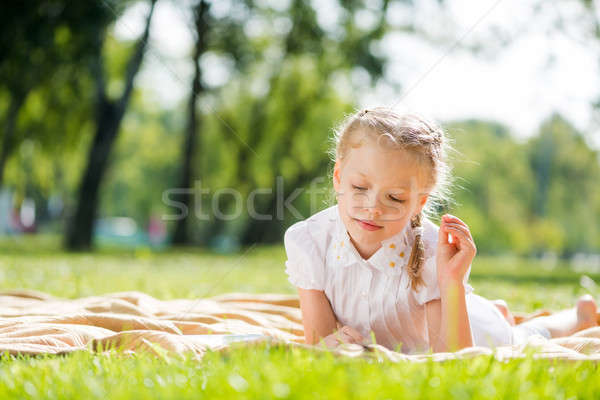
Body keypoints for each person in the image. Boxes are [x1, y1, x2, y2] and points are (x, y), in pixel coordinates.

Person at [283, 107, 598, 354]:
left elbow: (454, 358)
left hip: (460, 329)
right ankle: (493, 310)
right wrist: (331, 346)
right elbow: (319, 340)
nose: (373, 207)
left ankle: (577, 315)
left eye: (395, 198)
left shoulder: (432, 252)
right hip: (442, 322)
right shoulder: (309, 242)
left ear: (419, 203)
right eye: (359, 187)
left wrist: (452, 283)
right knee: (493, 320)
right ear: (338, 178)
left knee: (518, 338)